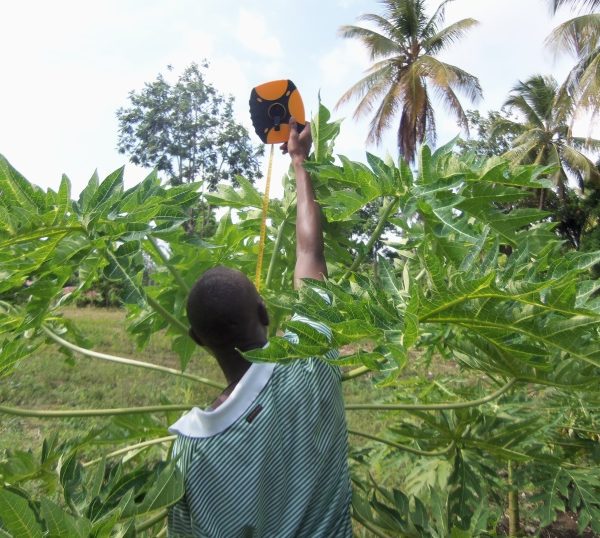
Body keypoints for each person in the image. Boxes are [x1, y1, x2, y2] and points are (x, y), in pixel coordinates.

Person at [167, 118, 353, 538]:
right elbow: (310, 251)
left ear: (197, 341)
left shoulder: (189, 450)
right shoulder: (311, 358)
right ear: (265, 313)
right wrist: (300, 162)